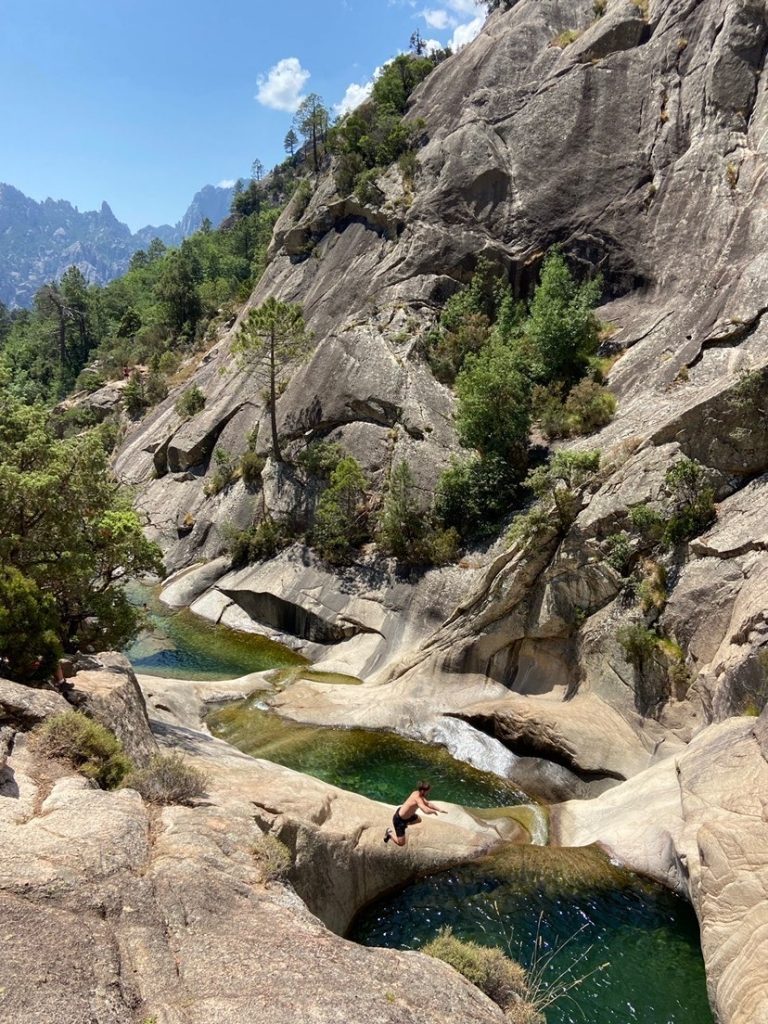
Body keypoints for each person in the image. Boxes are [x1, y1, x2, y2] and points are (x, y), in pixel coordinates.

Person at [384, 780, 444, 847]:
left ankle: (405, 824)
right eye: (428, 791)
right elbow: (425, 810)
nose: (429, 792)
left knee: (418, 819)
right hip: (399, 820)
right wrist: (433, 811)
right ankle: (389, 833)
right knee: (401, 843)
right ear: (423, 791)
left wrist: (439, 809)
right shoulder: (417, 798)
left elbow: (428, 803)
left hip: (407, 816)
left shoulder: (416, 793)